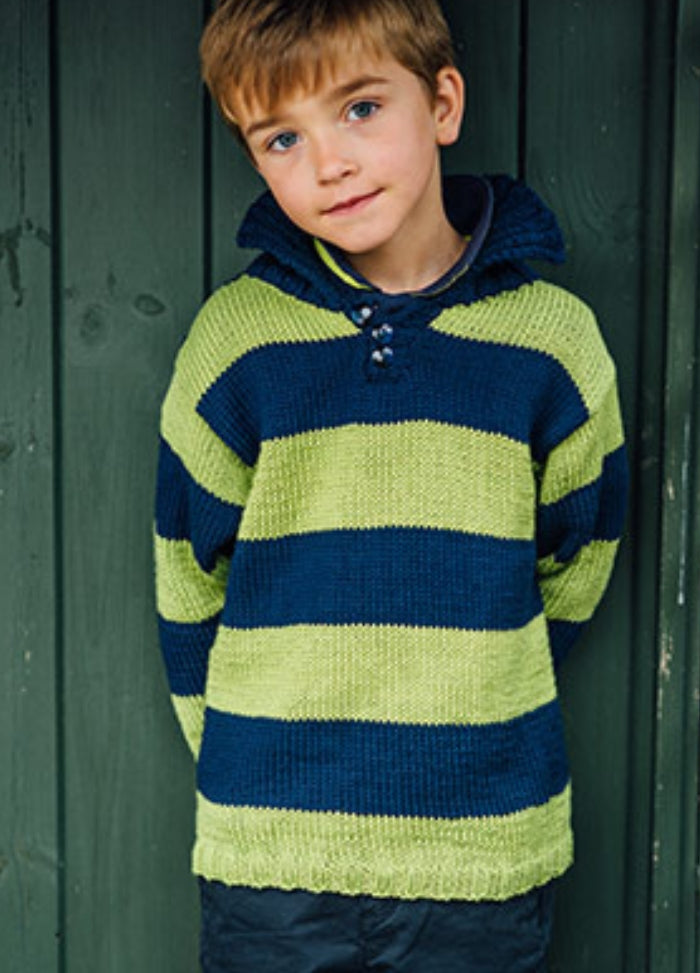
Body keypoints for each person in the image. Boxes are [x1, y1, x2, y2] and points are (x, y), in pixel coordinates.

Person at [154, 1, 627, 969]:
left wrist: (468, 669)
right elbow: (185, 570)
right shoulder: (237, 342)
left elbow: (577, 555)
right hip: (272, 866)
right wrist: (250, 750)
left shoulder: (551, 343)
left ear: (443, 101)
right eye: (281, 136)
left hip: (481, 857)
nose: (327, 160)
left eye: (360, 109)